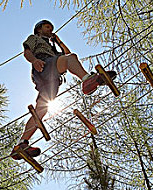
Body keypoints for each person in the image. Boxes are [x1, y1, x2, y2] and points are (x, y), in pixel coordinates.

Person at [11, 19, 115, 160]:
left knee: (41, 110)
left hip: (53, 78)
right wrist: (34, 61)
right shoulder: (34, 38)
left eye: (51, 28)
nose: (50, 30)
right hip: (44, 65)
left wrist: (58, 41)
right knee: (69, 59)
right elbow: (27, 52)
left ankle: (22, 144)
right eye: (47, 27)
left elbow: (68, 53)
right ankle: (87, 80)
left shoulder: (52, 45)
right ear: (39, 29)